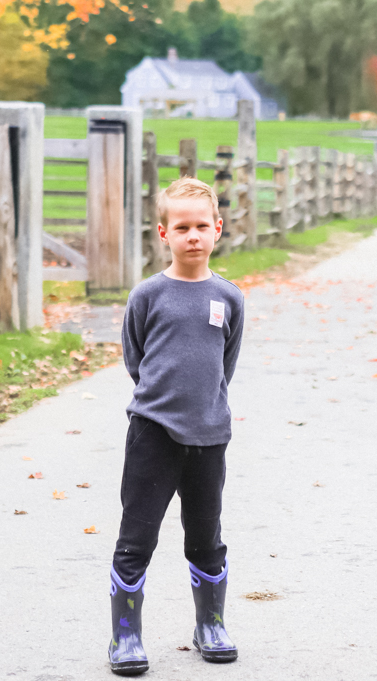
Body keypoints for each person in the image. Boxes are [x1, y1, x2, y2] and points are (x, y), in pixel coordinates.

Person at [108, 176, 245, 676]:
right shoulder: (148, 294)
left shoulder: (229, 298)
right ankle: (125, 634)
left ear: (217, 230)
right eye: (181, 227)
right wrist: (162, 399)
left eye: (201, 226)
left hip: (209, 436)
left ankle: (210, 622)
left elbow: (224, 366)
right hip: (153, 433)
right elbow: (135, 357)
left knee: (206, 535)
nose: (193, 235)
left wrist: (203, 403)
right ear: (163, 233)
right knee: (137, 535)